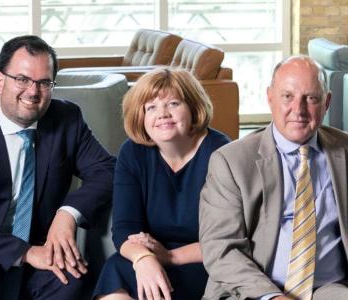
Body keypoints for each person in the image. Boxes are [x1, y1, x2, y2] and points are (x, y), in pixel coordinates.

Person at [0, 35, 116, 299]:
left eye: (44, 82)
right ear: (0, 82)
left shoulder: (66, 120)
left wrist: (68, 214)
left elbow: (107, 170)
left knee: (71, 278)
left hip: (39, 247)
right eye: (22, 79)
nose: (33, 91)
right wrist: (24, 252)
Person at [200, 55, 348, 300]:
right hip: (253, 290)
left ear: (327, 102)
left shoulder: (344, 151)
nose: (298, 110)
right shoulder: (231, 161)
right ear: (270, 97)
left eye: (311, 98)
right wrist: (272, 297)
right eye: (287, 96)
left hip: (327, 290)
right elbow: (220, 248)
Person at [92, 67, 230, 300]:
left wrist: (169, 257)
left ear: (193, 107)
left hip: (206, 263)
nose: (162, 114)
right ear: (141, 116)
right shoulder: (133, 152)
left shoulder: (221, 153)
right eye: (151, 107)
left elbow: (228, 238)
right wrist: (144, 258)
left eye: (173, 104)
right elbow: (124, 229)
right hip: (152, 259)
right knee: (116, 267)